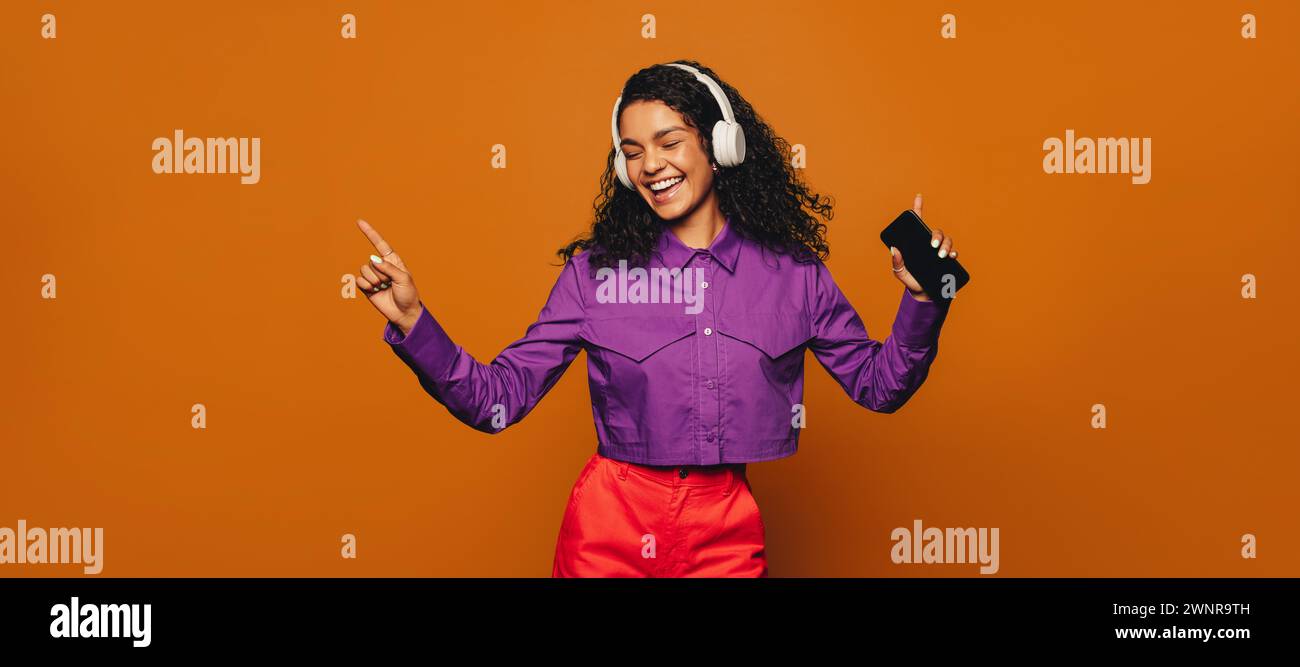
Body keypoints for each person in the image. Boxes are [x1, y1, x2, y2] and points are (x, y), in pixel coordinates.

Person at [355, 60, 959, 577]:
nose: (651, 165)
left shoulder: (794, 274)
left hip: (727, 528)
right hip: (606, 527)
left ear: (720, 149)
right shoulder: (594, 276)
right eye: (633, 151)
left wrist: (924, 302)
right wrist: (414, 323)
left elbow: (881, 388)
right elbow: (497, 401)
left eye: (670, 142)